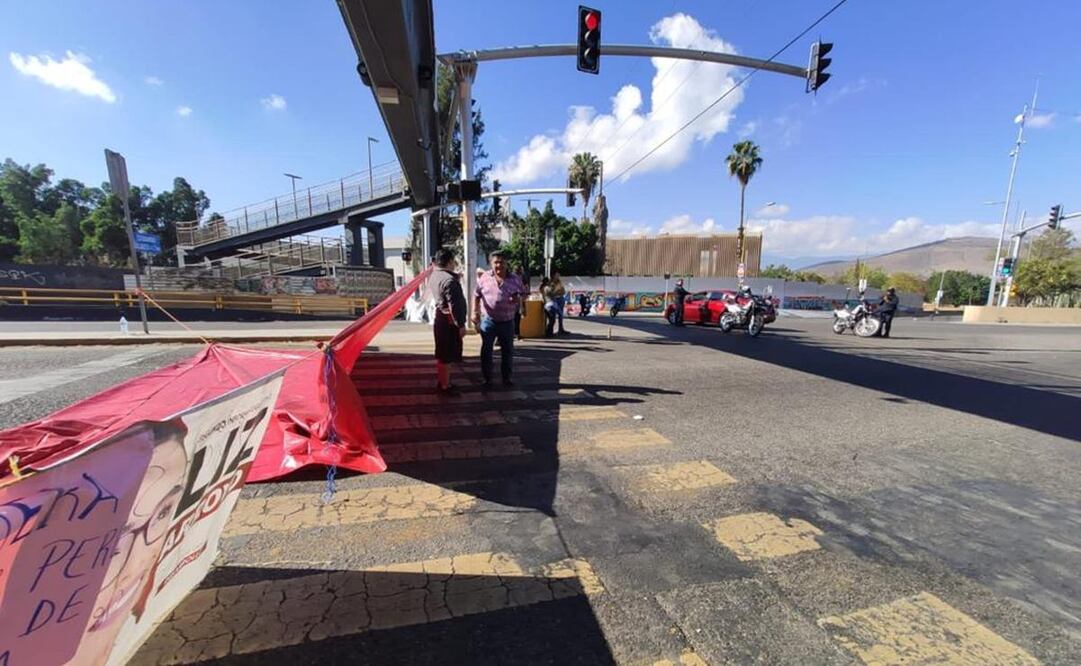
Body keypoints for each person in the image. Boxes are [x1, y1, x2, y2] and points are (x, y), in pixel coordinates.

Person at [472, 251, 524, 387]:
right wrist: (474, 312)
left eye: (502, 262)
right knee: (486, 350)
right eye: (496, 262)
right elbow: (476, 295)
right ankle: (487, 378)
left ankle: (506, 378)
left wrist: (518, 300)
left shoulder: (515, 279)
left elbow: (522, 294)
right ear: (491, 264)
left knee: (507, 351)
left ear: (507, 264)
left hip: (507, 321)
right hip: (488, 321)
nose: (499, 265)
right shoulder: (484, 277)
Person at [428, 248, 467, 394]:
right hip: (449, 322)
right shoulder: (449, 281)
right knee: (447, 356)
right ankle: (445, 386)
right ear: (450, 261)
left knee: (442, 354)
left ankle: (443, 382)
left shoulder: (435, 275)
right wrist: (461, 325)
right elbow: (454, 306)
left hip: (440, 320)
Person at [549, 270, 568, 335]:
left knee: (561, 315)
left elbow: (563, 290)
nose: (558, 276)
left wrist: (559, 292)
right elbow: (552, 292)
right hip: (554, 299)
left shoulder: (559, 281)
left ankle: (561, 329)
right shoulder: (551, 283)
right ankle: (550, 331)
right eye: (557, 274)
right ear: (553, 275)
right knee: (553, 315)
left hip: (561, 298)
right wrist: (558, 292)